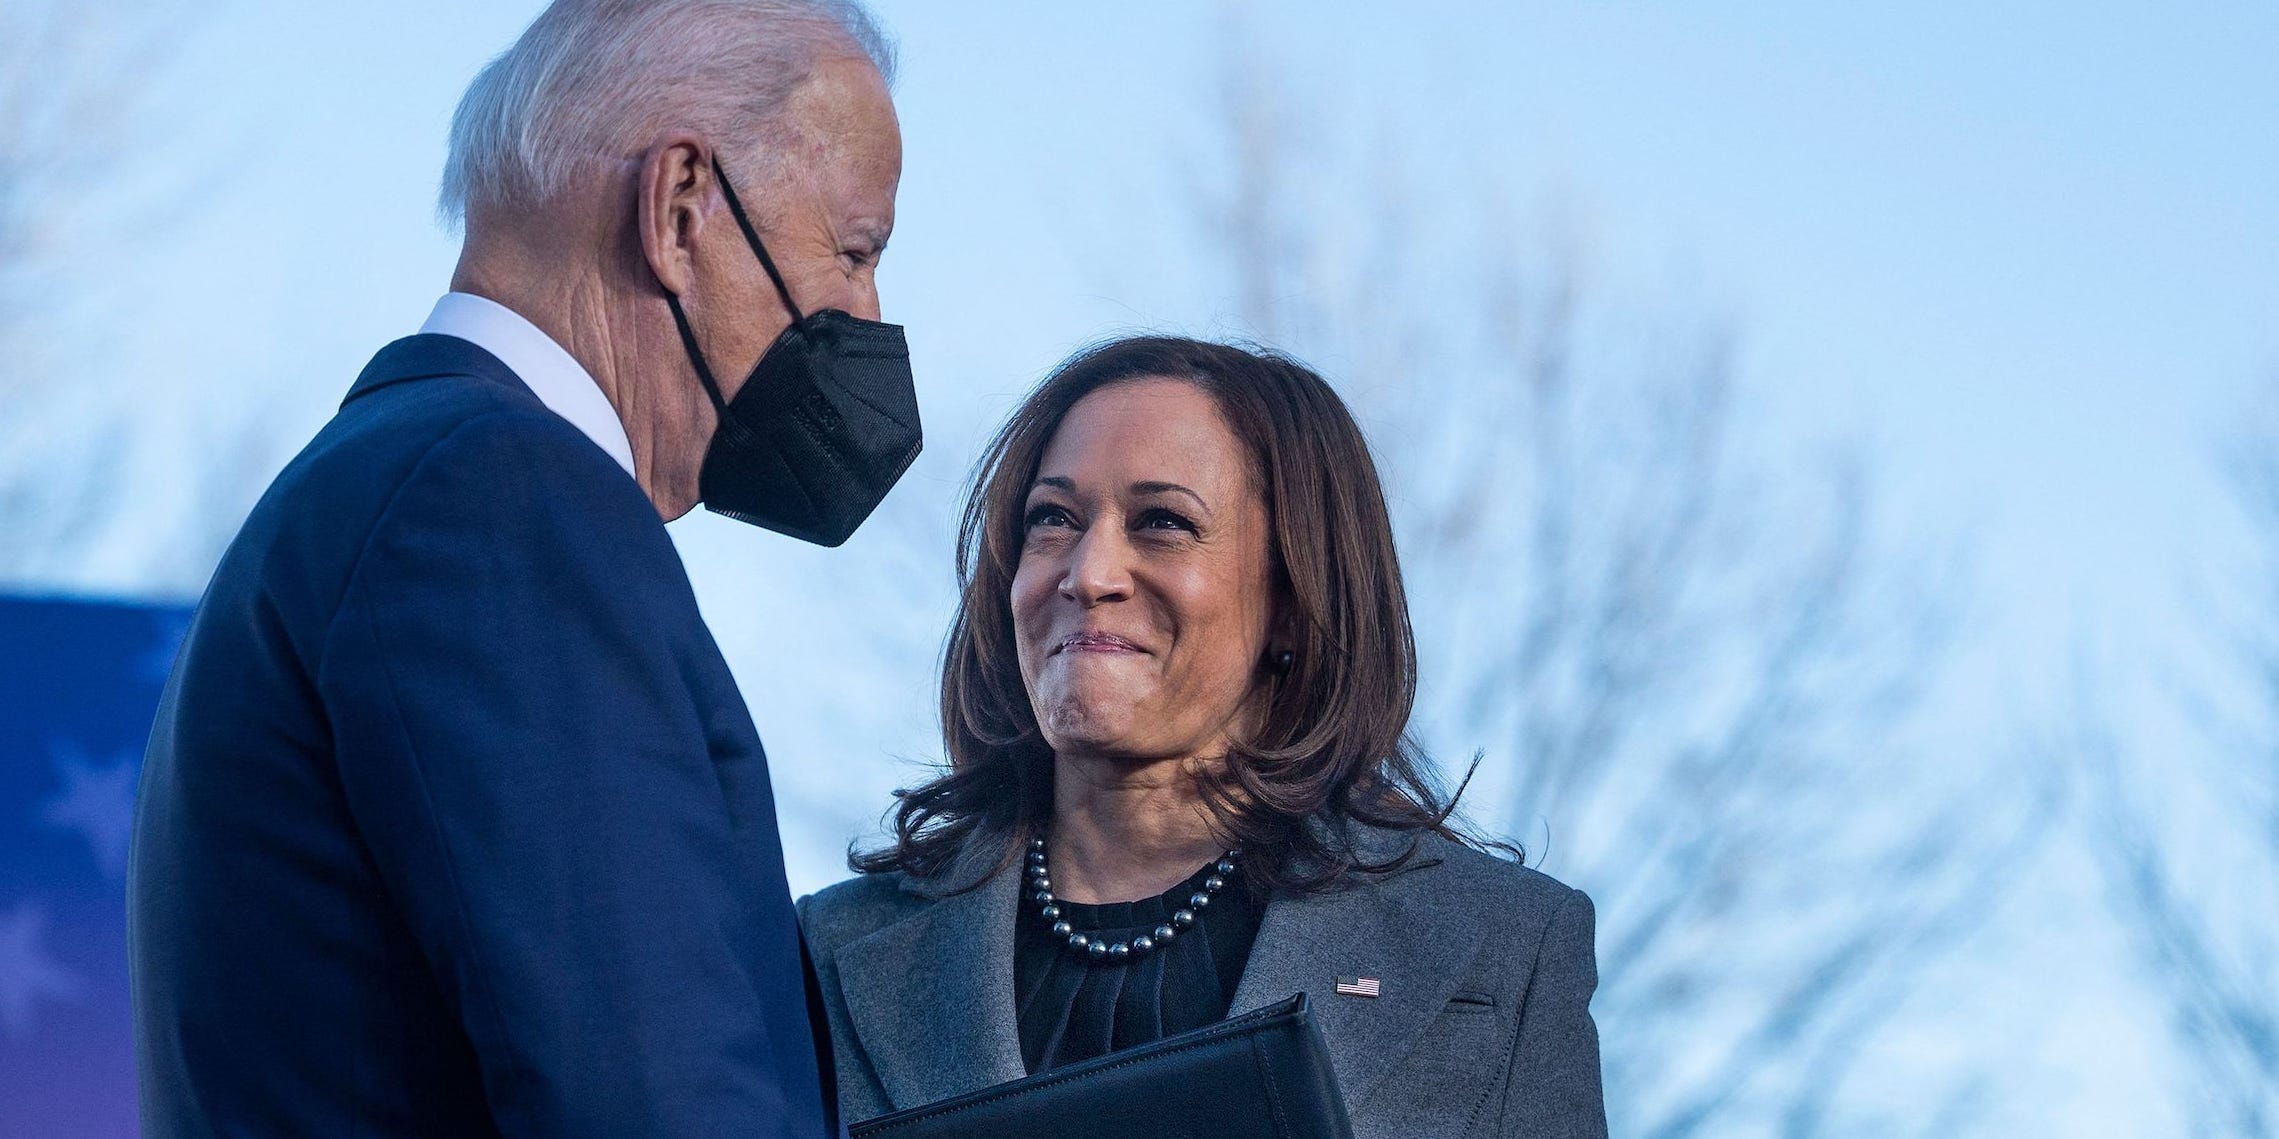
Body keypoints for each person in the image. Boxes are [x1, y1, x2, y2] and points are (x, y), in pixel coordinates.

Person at [128, 2, 913, 1135]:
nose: (868, 313)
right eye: (854, 248)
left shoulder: (380, 485)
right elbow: (654, 1095)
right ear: (680, 208)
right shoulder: (498, 494)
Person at [799, 337, 1607, 1138]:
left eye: (1162, 522)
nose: (1087, 572)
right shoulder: (825, 954)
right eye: (1053, 519)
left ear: (1292, 598)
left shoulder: (1502, 949)